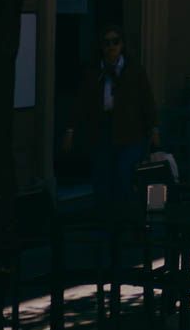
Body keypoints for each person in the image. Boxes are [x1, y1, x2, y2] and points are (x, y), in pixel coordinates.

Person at [64, 24, 160, 213]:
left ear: (122, 44)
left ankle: (126, 216)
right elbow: (80, 103)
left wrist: (154, 129)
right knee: (102, 178)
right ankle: (107, 219)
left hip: (130, 132)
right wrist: (70, 130)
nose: (111, 47)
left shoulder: (133, 70)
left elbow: (147, 101)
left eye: (115, 42)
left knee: (124, 175)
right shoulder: (94, 72)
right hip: (102, 130)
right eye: (107, 43)